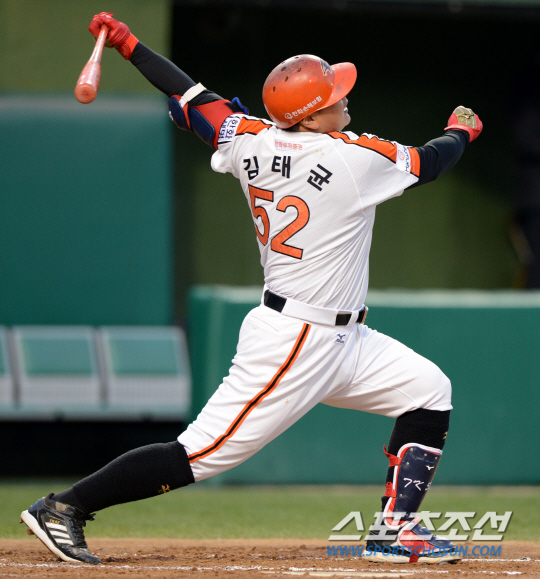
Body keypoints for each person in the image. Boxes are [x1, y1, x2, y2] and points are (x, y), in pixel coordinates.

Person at [19, 12, 482, 566]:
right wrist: (461, 131)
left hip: (345, 338)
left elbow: (189, 95)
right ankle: (64, 507)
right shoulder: (350, 156)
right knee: (200, 454)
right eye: (334, 95)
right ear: (311, 116)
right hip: (296, 339)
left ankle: (394, 530)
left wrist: (129, 45)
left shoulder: (248, 138)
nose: (345, 99)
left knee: (428, 390)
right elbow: (430, 161)